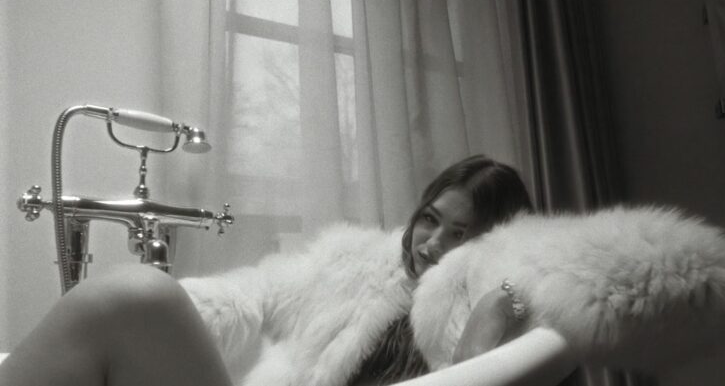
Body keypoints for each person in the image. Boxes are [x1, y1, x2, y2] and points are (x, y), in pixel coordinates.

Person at [0, 155, 548, 386]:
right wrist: (183, 319)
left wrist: (492, 312)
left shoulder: (503, 310)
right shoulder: (356, 265)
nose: (431, 244)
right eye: (430, 219)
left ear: (493, 241)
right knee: (132, 301)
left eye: (460, 234)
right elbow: (257, 293)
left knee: (135, 295)